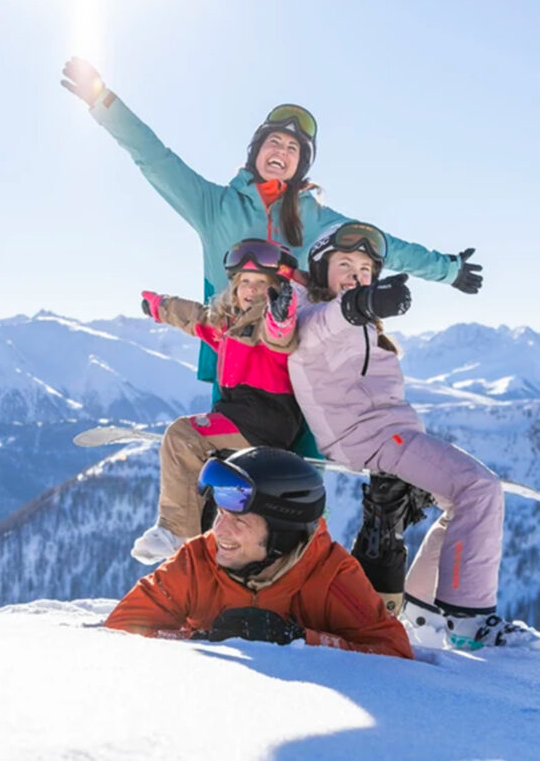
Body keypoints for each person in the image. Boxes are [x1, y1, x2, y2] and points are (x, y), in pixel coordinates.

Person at [60, 57, 483, 394]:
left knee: (299, 489)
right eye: (273, 142)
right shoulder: (214, 207)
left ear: (301, 164)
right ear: (256, 152)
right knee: (231, 486)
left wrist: (449, 270)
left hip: (300, 365)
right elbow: (154, 157)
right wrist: (103, 102)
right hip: (235, 358)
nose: (281, 150)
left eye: (293, 148)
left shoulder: (316, 219)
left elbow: (384, 246)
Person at [287, 221, 539, 649]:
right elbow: (330, 322)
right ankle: (470, 624)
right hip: (369, 438)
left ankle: (422, 612)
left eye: (366, 269)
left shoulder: (355, 321)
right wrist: (362, 302)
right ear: (319, 269)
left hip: (387, 434)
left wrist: (364, 305)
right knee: (479, 488)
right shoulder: (312, 315)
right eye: (344, 263)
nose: (355, 273)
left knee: (461, 501)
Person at [105, 447, 413, 659]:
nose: (220, 532)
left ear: (283, 532)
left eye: (238, 520)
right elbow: (122, 627)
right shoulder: (197, 561)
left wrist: (298, 640)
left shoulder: (331, 575)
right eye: (220, 514)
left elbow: (393, 653)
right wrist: (204, 641)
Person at [132, 239, 302, 565]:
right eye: (245, 282)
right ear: (235, 286)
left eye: (262, 283)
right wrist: (160, 307)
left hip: (264, 418)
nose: (251, 290)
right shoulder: (228, 324)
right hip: (240, 416)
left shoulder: (269, 322)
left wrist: (282, 316)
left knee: (183, 435)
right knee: (207, 475)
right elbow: (196, 318)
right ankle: (200, 546)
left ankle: (176, 531)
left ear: (276, 288)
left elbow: (281, 336)